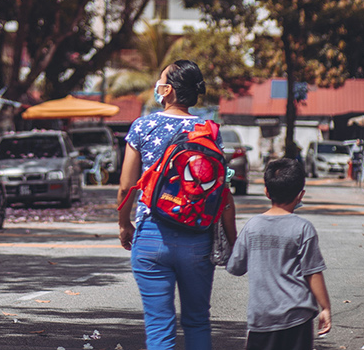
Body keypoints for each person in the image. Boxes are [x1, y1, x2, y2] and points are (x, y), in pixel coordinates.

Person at [117, 58, 237, 350]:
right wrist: (232, 239)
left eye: (160, 82)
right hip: (197, 238)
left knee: (159, 326)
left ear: (167, 91)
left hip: (151, 234)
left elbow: (124, 187)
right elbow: (221, 190)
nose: (156, 87)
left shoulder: (143, 126)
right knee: (197, 321)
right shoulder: (208, 130)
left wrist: (123, 224)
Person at [227, 157, 331, 350]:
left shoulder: (252, 227)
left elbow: (235, 267)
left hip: (261, 319)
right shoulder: (303, 228)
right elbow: (313, 272)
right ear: (300, 195)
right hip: (297, 318)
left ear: (266, 191)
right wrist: (325, 307)